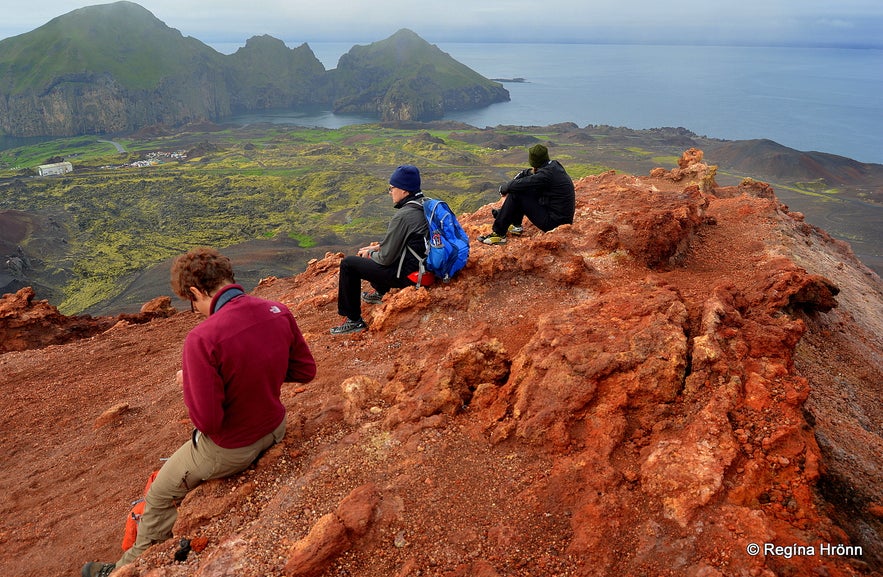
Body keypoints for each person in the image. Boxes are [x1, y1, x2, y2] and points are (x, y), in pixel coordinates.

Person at [82, 248, 316, 577]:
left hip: (232, 447)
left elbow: (208, 422)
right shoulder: (277, 310)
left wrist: (192, 383)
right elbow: (305, 371)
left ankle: (127, 566)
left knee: (159, 492)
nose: (196, 312)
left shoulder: (203, 338)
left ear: (195, 292)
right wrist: (260, 371)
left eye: (192, 304)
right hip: (275, 426)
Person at [331, 164, 429, 335]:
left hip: (411, 275)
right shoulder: (427, 204)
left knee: (349, 264)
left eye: (392, 188)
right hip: (427, 266)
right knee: (377, 253)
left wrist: (370, 253)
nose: (390, 192)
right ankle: (380, 292)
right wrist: (378, 246)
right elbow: (407, 241)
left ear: (405, 191)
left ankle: (353, 320)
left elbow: (385, 259)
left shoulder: (404, 215)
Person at [477, 144, 575, 245]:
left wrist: (504, 188)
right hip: (559, 217)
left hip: (555, 223)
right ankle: (515, 224)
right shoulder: (554, 166)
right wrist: (518, 179)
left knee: (518, 193)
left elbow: (520, 184)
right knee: (523, 189)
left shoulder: (545, 176)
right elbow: (527, 174)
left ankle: (499, 234)